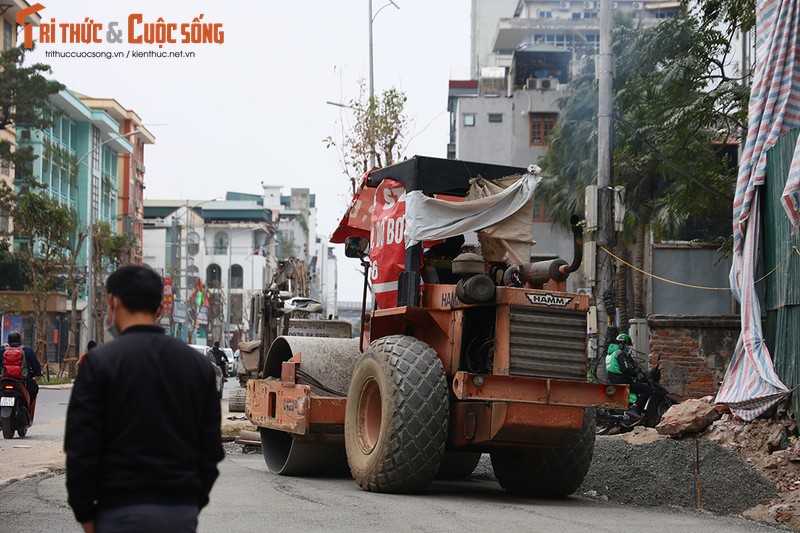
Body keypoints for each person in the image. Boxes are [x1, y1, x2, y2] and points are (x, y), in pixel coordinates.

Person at [65, 265, 224, 533]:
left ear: (114, 302)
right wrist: (191, 504)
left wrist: (86, 515)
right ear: (160, 308)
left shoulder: (99, 364)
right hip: (179, 513)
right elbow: (210, 449)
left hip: (117, 512)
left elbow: (81, 449)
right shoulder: (197, 366)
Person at [605, 333, 653, 419]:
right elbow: (625, 369)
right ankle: (634, 408)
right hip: (622, 380)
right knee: (647, 389)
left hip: (613, 380)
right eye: (627, 345)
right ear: (622, 343)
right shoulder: (619, 353)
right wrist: (635, 373)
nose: (628, 347)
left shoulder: (609, 354)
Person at [0, 331, 42, 417]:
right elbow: (36, 366)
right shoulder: (27, 350)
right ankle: (28, 413)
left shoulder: (2, 350)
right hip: (22, 381)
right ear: (20, 341)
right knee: (34, 389)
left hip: (4, 380)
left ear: (8, 341)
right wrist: (37, 374)